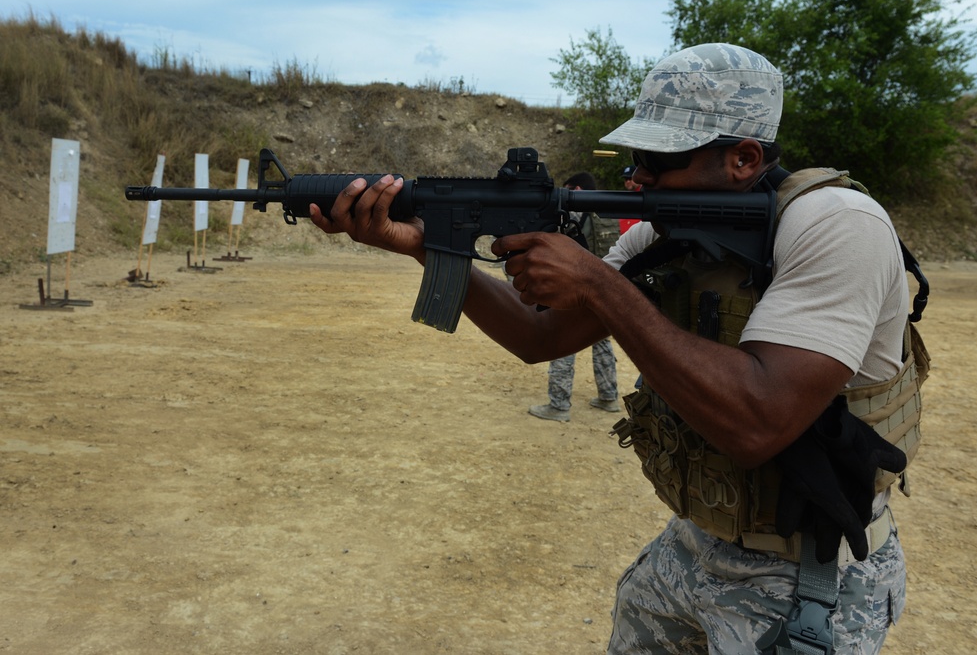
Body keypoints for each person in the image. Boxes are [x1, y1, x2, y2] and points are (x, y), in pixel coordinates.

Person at [308, 42, 926, 654]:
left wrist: (601, 286)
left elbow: (759, 421)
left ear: (743, 159)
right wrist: (422, 246)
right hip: (697, 542)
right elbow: (539, 334)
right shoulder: (664, 234)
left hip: (813, 565)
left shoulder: (839, 225)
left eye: (657, 160)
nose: (636, 178)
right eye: (634, 157)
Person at [528, 171, 620, 422]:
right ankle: (609, 397)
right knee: (601, 341)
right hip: (604, 286)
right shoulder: (605, 212)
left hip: (577, 288)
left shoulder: (576, 213)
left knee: (562, 338)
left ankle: (558, 405)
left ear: (576, 189)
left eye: (567, 190)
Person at [619, 165, 642, 233]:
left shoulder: (645, 196)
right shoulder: (625, 198)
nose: (628, 181)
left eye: (630, 178)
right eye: (626, 179)